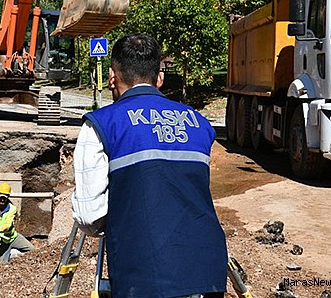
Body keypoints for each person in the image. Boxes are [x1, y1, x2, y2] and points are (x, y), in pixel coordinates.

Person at [71, 33, 227, 298]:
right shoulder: (199, 123)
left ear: (112, 76)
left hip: (145, 274)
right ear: (160, 78)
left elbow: (90, 216)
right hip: (208, 271)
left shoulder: (101, 124)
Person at [0, 183, 35, 262]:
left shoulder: (12, 209)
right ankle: (10, 255)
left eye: (4, 198)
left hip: (11, 237)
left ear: (8, 197)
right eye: (0, 197)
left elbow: (8, 225)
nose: (2, 200)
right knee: (2, 264)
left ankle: (14, 253)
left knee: (32, 250)